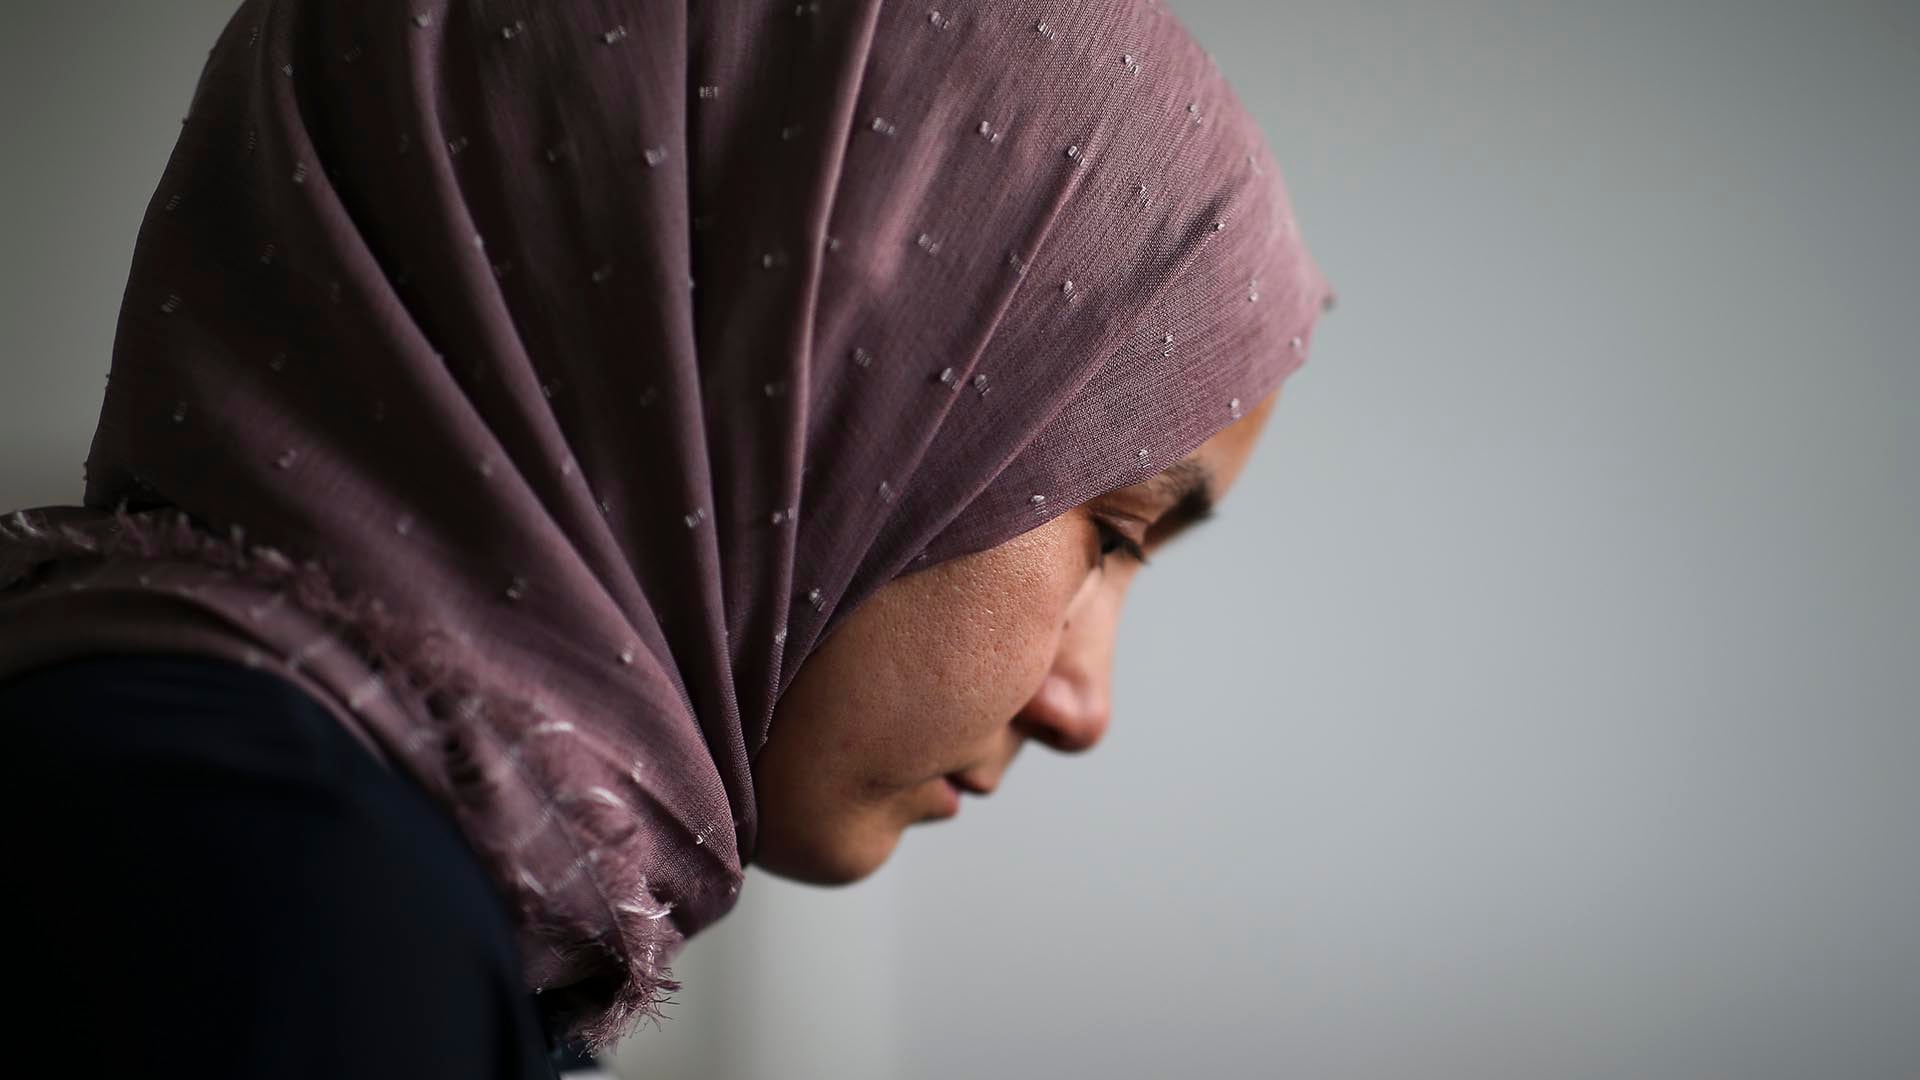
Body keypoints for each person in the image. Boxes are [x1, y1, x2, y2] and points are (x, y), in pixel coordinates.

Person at [0, 0, 1330, 1074]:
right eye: (1115, 532)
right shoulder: (276, 890)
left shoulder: (239, 803)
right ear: (805, 377)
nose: (1083, 704)